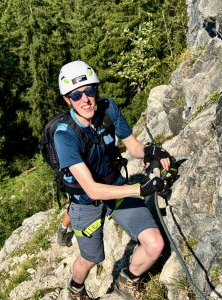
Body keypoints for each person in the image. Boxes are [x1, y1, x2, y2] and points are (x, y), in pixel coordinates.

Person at [54, 60, 171, 300]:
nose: (86, 99)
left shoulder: (109, 109)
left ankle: (127, 280)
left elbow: (134, 146)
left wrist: (151, 151)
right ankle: (76, 289)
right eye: (76, 95)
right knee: (90, 259)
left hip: (116, 185)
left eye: (90, 91)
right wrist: (141, 188)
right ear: (68, 100)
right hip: (87, 201)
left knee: (154, 244)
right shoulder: (64, 136)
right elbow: (93, 190)